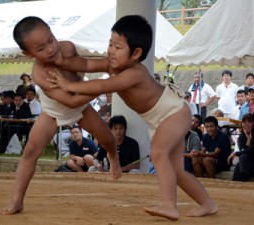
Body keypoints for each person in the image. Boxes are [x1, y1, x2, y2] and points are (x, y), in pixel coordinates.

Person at [49, 15, 218, 220]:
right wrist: (62, 61)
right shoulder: (114, 65)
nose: (111, 50)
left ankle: (169, 206)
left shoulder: (135, 73)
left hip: (173, 112)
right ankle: (207, 204)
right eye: (110, 44)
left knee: (158, 154)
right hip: (162, 117)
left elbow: (103, 86)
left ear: (136, 53)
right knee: (176, 171)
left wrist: (68, 86)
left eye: (118, 47)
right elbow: (85, 64)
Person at [1, 16, 121, 215]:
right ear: (28, 53)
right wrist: (106, 86)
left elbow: (86, 66)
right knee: (30, 152)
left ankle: (114, 157)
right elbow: (69, 101)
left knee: (108, 139)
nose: (50, 48)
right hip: (55, 109)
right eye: (40, 48)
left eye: (50, 39)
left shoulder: (67, 47)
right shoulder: (40, 74)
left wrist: (112, 68)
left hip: (81, 103)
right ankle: (17, 200)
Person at [227, 113, 254, 181]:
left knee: (243, 158)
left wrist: (236, 153)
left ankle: (241, 183)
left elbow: (251, 151)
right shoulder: (241, 137)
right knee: (239, 164)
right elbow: (243, 151)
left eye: (249, 122)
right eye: (244, 122)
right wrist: (248, 140)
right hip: (247, 164)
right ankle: (237, 186)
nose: (246, 124)